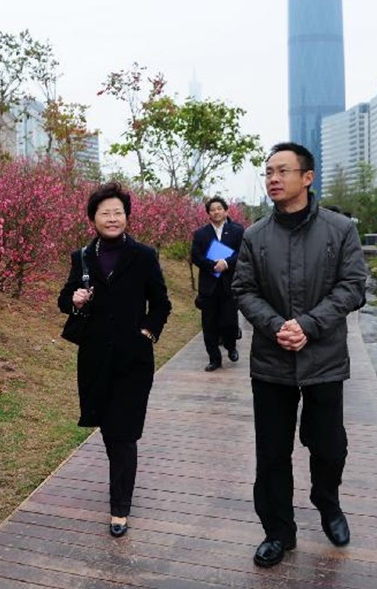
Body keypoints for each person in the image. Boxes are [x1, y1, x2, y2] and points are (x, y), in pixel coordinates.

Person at [231, 142, 367, 568]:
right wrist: (277, 326)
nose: (273, 178)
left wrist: (307, 325)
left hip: (324, 359)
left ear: (307, 177)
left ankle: (328, 503)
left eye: (282, 171)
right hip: (271, 363)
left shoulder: (340, 229)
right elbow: (243, 289)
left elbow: (353, 287)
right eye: (268, 171)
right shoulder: (254, 236)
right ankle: (278, 531)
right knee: (272, 452)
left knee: (329, 446)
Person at [57, 181, 172, 538]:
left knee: (123, 435)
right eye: (104, 212)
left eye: (117, 212)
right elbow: (64, 299)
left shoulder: (144, 256)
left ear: (127, 216)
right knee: (109, 431)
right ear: (93, 218)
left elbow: (161, 304)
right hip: (94, 360)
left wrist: (147, 334)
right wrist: (73, 299)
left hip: (133, 361)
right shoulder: (82, 257)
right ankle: (120, 483)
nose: (112, 218)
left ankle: (119, 507)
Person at [190, 195, 245, 372]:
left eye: (219, 208)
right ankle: (214, 358)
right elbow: (195, 256)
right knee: (209, 323)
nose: (216, 212)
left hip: (229, 284)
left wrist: (226, 263)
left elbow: (242, 253)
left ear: (226, 211)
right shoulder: (201, 234)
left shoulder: (237, 231)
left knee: (230, 322)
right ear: (208, 214)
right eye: (212, 210)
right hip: (209, 285)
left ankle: (231, 346)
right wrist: (213, 265)